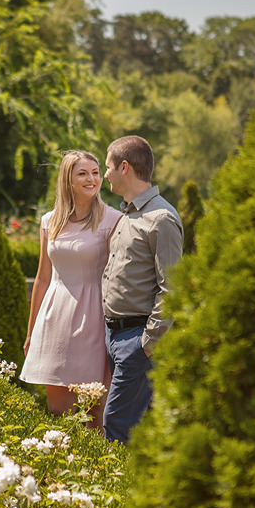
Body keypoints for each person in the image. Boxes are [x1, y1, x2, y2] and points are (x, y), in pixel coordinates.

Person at [20, 150, 123, 431]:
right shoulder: (48, 221)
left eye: (96, 172)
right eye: (83, 173)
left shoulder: (113, 220)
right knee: (58, 412)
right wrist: (31, 332)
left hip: (94, 318)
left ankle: (97, 472)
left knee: (94, 412)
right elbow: (42, 278)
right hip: (54, 319)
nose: (92, 179)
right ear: (68, 180)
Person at [101, 135, 183, 444]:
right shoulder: (128, 215)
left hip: (137, 341)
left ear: (124, 167)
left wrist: (146, 345)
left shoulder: (161, 219)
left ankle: (114, 491)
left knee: (116, 426)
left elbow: (172, 289)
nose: (105, 174)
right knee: (135, 431)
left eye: (107, 167)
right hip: (116, 337)